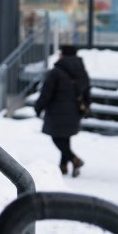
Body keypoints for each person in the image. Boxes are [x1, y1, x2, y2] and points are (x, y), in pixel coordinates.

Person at [34, 44, 91, 177]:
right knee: (65, 137)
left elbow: (46, 93)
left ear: (64, 55)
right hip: (75, 110)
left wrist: (38, 107)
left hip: (57, 110)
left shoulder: (56, 72)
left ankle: (74, 159)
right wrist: (86, 105)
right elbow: (87, 89)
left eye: (60, 53)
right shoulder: (81, 70)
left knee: (56, 137)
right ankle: (63, 166)